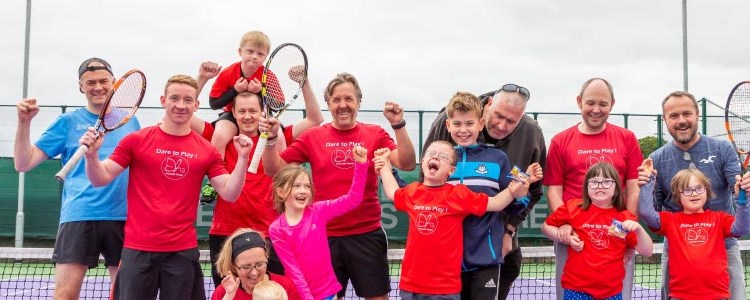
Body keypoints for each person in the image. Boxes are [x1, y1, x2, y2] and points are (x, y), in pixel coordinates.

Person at [80, 74, 253, 299]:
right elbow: (100, 178)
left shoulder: (207, 150)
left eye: (188, 100)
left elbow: (229, 193)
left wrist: (242, 159)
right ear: (163, 100)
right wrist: (92, 156)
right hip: (137, 250)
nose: (181, 105)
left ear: (196, 105)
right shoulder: (136, 141)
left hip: (182, 252)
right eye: (175, 98)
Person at [260, 72, 417, 300]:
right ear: (328, 104)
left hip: (366, 234)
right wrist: (271, 139)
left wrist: (398, 125)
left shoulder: (375, 133)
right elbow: (273, 169)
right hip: (321, 238)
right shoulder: (312, 136)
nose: (343, 105)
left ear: (358, 102)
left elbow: (407, 162)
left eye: (349, 99)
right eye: (336, 100)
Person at [13, 57, 140, 300]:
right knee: (65, 295)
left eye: (103, 81)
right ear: (81, 87)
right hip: (79, 216)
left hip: (124, 217)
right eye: (90, 82)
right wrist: (24, 123)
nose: (98, 87)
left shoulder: (130, 121)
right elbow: (23, 163)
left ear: (113, 83)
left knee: (126, 295)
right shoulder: (66, 122)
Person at [193, 61, 324, 285]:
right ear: (232, 112)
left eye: (253, 111)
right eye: (241, 111)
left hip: (271, 235)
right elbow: (184, 111)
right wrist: (202, 78)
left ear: (262, 111)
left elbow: (315, 119)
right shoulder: (219, 134)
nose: (247, 116)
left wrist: (304, 82)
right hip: (226, 233)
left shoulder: (280, 134)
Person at [423, 84, 545, 298]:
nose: (503, 125)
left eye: (512, 121)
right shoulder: (446, 121)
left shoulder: (526, 136)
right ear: (488, 106)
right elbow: (427, 180)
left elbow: (527, 194)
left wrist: (509, 230)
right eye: (499, 116)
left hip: (491, 247)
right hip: (447, 254)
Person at [375, 142, 542, 299]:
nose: (435, 157)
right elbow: (392, 191)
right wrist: (384, 165)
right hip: (410, 286)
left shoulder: (459, 194)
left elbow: (497, 203)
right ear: (423, 161)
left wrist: (522, 178)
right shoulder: (412, 192)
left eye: (442, 156)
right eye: (431, 154)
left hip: (445, 289)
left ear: (451, 170)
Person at [543, 77, 642, 299]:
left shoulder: (627, 138)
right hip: (573, 236)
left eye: (603, 104)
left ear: (612, 105)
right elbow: (554, 190)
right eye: (590, 103)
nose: (596, 110)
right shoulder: (560, 141)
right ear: (579, 102)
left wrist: (628, 230)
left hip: (615, 236)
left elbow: (634, 188)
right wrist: (567, 226)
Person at [643, 90, 746, 299]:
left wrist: (745, 190)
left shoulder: (722, 149)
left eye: (686, 114)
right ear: (665, 120)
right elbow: (652, 211)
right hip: (678, 253)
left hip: (725, 248)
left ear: (697, 114)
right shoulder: (656, 159)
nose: (681, 121)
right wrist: (644, 186)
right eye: (673, 116)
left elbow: (738, 189)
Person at [440, 91, 517, 299]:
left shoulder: (497, 158)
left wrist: (522, 191)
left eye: (469, 123)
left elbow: (515, 199)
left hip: (487, 258)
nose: (463, 130)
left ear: (481, 124)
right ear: (448, 125)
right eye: (457, 124)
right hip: (448, 261)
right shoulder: (441, 158)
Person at [269, 145, 369, 300]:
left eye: (307, 186)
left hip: (328, 292)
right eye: (296, 186)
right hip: (298, 294)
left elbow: (353, 199)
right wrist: (308, 297)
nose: (303, 191)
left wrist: (361, 165)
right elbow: (293, 269)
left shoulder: (319, 211)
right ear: (281, 192)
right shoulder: (276, 229)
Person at [542, 162, 653, 300]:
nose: (600, 186)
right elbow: (546, 227)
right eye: (594, 182)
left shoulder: (623, 218)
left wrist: (639, 229)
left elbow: (647, 251)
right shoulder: (574, 208)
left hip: (611, 293)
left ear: (616, 188)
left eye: (606, 182)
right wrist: (564, 238)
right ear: (586, 187)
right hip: (576, 290)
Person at [639, 165, 750, 299]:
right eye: (687, 190)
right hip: (680, 296)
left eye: (699, 188)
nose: (694, 193)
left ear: (706, 191)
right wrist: (648, 184)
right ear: (677, 194)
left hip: (717, 296)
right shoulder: (670, 220)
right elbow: (646, 213)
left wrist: (742, 201)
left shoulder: (719, 218)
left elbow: (742, 228)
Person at [208, 30, 278, 158]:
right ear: (240, 52)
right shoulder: (228, 73)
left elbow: (278, 104)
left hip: (262, 115)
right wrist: (235, 90)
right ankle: (218, 175)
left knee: (280, 139)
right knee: (219, 136)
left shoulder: (268, 75)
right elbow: (214, 103)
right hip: (232, 114)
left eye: (260, 53)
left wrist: (260, 93)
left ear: (265, 57)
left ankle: (280, 176)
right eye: (250, 51)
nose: (255, 56)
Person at [212, 229, 300, 300]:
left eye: (259, 264)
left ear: (267, 258)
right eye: (246, 267)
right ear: (234, 267)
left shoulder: (286, 286)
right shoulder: (224, 293)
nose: (254, 273)